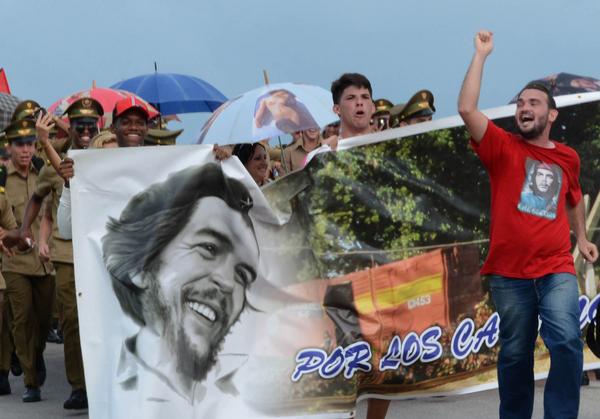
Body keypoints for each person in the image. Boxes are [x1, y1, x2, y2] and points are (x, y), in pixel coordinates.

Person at [458, 30, 598, 418]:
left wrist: (582, 238)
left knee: (566, 341)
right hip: (509, 274)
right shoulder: (501, 146)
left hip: (556, 269)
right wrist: (481, 55)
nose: (524, 107)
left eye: (534, 102)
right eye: (520, 102)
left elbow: (572, 198)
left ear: (551, 115)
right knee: (516, 353)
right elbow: (467, 109)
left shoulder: (568, 157)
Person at [101, 163, 260, 407]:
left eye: (243, 275)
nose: (228, 283)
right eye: (209, 248)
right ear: (140, 266)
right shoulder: (111, 384)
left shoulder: (248, 393)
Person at [19, 97, 104, 410]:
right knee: (71, 321)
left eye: (90, 125)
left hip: (102, 252)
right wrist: (27, 231)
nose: (85, 131)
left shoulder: (109, 157)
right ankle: (79, 386)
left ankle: (103, 381)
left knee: (103, 319)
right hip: (68, 253)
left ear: (99, 126)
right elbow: (38, 200)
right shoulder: (58, 166)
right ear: (71, 127)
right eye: (79, 125)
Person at [0, 118, 54, 403]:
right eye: (20, 144)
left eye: (30, 144)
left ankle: (36, 353)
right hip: (15, 261)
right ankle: (31, 381)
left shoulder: (43, 171)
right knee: (21, 321)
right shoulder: (1, 179)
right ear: (9, 146)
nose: (25, 150)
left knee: (43, 321)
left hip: (46, 261)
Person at [56, 97, 151, 240]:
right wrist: (69, 185)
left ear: (147, 128)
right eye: (126, 122)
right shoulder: (92, 174)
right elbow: (66, 231)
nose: (133, 127)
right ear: (113, 128)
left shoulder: (159, 170)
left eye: (140, 122)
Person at [325, 73, 376, 151]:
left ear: (373, 107)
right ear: (337, 109)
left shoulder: (391, 147)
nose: (359, 102)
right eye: (351, 98)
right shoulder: (322, 154)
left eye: (365, 97)